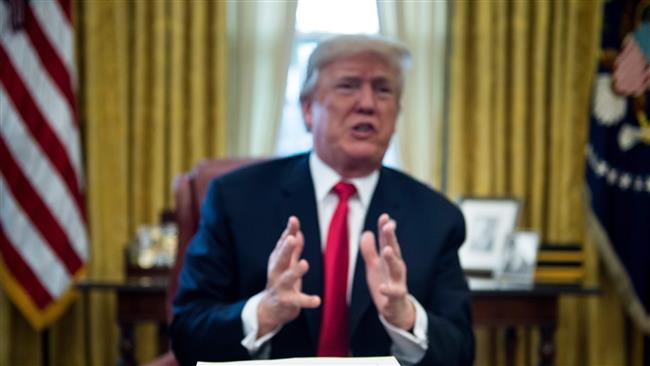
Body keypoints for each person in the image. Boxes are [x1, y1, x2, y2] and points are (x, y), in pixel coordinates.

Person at [170, 34, 475, 366]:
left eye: (383, 90)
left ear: (396, 114)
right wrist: (264, 313)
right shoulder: (235, 199)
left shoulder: (436, 217)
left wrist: (407, 319)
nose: (368, 103)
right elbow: (187, 333)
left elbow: (461, 351)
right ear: (307, 109)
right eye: (348, 86)